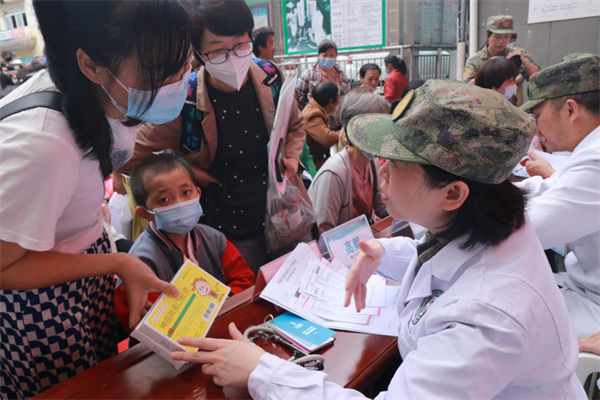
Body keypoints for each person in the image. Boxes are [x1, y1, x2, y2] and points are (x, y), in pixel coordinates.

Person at [169, 80, 586, 399]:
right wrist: (387, 250)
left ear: (453, 194)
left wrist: (263, 371)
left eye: (397, 163)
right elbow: (453, 261)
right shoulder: (490, 224)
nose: (381, 169)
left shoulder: (488, 318)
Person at [0, 0, 193, 398]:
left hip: (83, 271)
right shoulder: (43, 146)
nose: (179, 81)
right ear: (91, 65)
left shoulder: (107, 93)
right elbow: (5, 266)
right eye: (162, 71)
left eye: (187, 63)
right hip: (41, 305)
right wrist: (119, 261)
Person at [118, 0, 306, 274]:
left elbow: (295, 126)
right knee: (246, 289)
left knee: (296, 281)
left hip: (283, 212)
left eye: (240, 45)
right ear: (199, 52)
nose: (232, 58)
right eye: (217, 50)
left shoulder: (270, 76)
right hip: (229, 223)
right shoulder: (184, 99)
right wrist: (187, 172)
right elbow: (128, 156)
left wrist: (292, 157)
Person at [114, 154, 254, 332]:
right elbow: (142, 318)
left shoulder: (213, 238)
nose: (180, 204)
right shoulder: (141, 261)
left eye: (186, 192)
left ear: (198, 193)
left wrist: (220, 305)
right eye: (164, 199)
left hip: (222, 324)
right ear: (145, 213)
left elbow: (244, 278)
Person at [517, 53, 600, 339]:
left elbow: (529, 229)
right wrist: (494, 192)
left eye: (537, 115)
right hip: (583, 288)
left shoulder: (596, 159)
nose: (536, 128)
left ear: (570, 110)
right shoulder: (590, 152)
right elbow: (556, 188)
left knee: (494, 316)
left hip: (593, 304)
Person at [309, 90, 389, 234]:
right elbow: (324, 233)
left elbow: (382, 208)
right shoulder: (333, 174)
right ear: (356, 130)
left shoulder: (372, 162)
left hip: (362, 239)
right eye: (378, 127)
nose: (384, 134)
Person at [463, 15, 539, 84]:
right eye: (497, 37)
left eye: (506, 36)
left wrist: (525, 61)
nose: (501, 41)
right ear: (487, 36)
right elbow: (467, 86)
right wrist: (489, 71)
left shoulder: (516, 54)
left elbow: (537, 77)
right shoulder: (475, 60)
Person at [296, 39, 350, 110]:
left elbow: (347, 98)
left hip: (337, 115)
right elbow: (299, 99)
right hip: (315, 115)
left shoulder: (342, 76)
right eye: (324, 55)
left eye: (331, 55)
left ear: (336, 56)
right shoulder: (308, 75)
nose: (328, 58)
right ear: (318, 56)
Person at [302, 81, 341, 170]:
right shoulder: (313, 115)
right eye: (339, 97)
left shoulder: (315, 108)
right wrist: (344, 133)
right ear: (331, 101)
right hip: (311, 162)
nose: (340, 101)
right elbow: (327, 138)